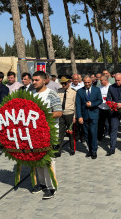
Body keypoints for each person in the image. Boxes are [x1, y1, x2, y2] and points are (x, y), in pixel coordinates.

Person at [31, 71, 62, 200]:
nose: (33, 82)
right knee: (38, 159)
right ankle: (42, 183)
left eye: (36, 80)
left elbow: (59, 112)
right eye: (33, 80)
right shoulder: (31, 94)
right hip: (34, 132)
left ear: (44, 80)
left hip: (49, 132)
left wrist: (43, 116)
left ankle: (51, 187)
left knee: (49, 160)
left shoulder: (51, 94)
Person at [76, 75, 103, 159]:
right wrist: (79, 116)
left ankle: (94, 151)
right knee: (86, 134)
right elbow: (78, 105)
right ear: (83, 82)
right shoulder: (80, 91)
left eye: (89, 82)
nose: (87, 84)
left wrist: (92, 104)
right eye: (85, 82)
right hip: (84, 116)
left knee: (93, 133)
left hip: (94, 115)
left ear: (91, 82)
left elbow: (100, 100)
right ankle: (90, 149)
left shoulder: (97, 90)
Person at [56, 77, 77, 157]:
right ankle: (58, 150)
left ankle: (72, 149)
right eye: (62, 83)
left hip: (70, 114)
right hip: (61, 114)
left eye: (65, 83)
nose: (63, 85)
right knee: (60, 132)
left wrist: (75, 116)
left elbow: (75, 105)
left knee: (71, 132)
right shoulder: (59, 91)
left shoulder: (73, 92)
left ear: (69, 82)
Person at [98, 75, 111, 141]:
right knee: (100, 123)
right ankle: (100, 136)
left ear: (106, 80)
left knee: (109, 123)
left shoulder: (111, 87)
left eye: (101, 80)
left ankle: (109, 134)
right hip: (101, 108)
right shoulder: (99, 88)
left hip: (109, 108)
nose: (100, 82)